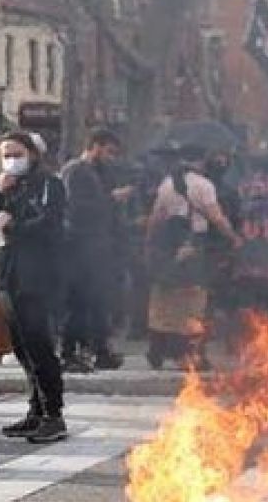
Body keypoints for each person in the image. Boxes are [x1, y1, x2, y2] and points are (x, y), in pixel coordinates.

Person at [0, 133, 70, 444]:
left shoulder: (48, 184)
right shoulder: (7, 185)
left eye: (16, 153)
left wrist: (14, 227)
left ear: (32, 153)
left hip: (36, 276)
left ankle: (53, 414)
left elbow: (50, 224)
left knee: (39, 346)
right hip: (8, 274)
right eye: (5, 154)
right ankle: (36, 409)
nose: (10, 160)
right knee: (22, 348)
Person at [143, 149, 240, 370]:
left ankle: (157, 349)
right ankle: (190, 355)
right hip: (194, 245)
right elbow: (216, 217)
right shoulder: (204, 185)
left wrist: (149, 245)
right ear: (200, 162)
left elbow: (156, 218)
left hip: (169, 247)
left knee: (165, 299)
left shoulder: (167, 183)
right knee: (193, 301)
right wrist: (233, 237)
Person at [59, 130, 132, 371]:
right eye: (109, 151)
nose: (111, 158)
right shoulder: (76, 171)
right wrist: (112, 198)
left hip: (99, 246)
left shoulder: (100, 172)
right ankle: (69, 352)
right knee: (79, 302)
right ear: (95, 146)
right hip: (79, 246)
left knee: (99, 301)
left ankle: (101, 350)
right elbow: (75, 207)